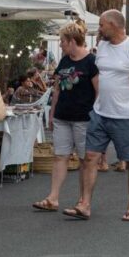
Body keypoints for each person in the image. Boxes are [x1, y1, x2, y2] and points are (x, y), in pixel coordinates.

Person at [65, 10, 129, 221]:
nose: (99, 29)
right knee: (90, 157)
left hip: (126, 116)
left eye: (102, 25)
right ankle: (84, 204)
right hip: (100, 113)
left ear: (114, 25)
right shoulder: (102, 46)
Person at [33, 21, 98, 213]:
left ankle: (84, 201)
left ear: (71, 41)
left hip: (84, 118)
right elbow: (57, 88)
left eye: (62, 41)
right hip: (63, 115)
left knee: (85, 159)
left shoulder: (91, 61)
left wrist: (96, 115)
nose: (60, 44)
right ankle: (53, 198)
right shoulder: (64, 60)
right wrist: (52, 113)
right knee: (59, 156)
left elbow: (98, 90)